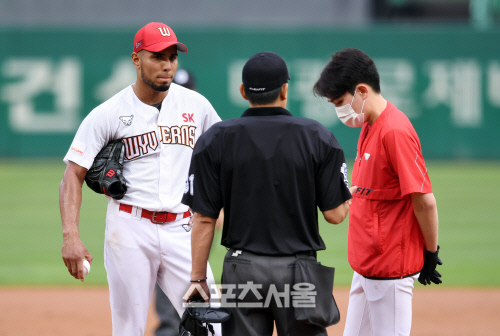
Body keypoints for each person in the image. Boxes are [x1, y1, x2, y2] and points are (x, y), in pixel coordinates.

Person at [59, 22, 222, 336]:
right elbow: (73, 174)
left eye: (172, 57)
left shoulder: (196, 106)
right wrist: (70, 235)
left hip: (182, 228)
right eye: (157, 56)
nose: (167, 65)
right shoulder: (108, 112)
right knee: (128, 329)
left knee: (213, 324)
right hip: (130, 229)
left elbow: (224, 156)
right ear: (136, 59)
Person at [181, 51, 352, 336]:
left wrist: (198, 278)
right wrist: (349, 197)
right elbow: (335, 215)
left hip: (242, 271)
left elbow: (204, 218)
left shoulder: (215, 139)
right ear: (286, 89)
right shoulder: (317, 136)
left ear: (242, 91)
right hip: (300, 274)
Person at [313, 48, 442, 336]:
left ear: (361, 91)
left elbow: (424, 201)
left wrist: (431, 252)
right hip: (367, 266)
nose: (339, 110)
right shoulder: (370, 126)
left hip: (390, 271)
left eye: (340, 102)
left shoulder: (395, 131)